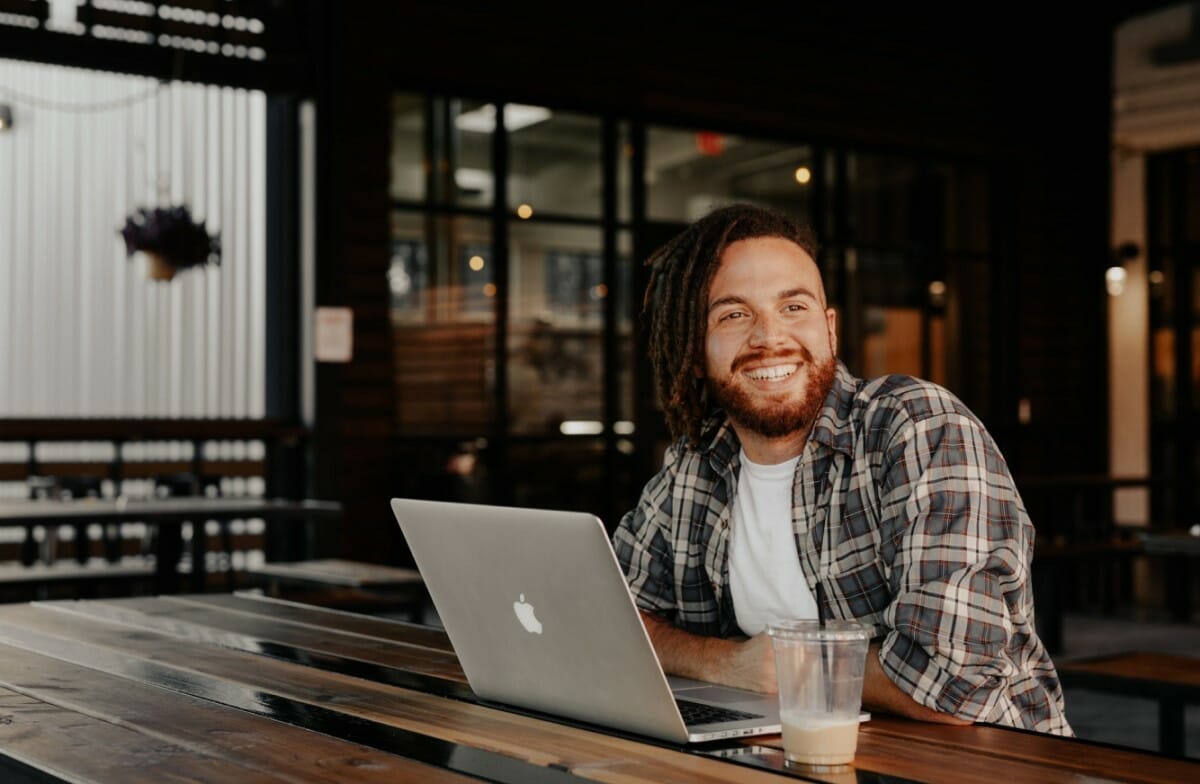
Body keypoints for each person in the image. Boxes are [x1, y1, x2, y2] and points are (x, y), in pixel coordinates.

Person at [612, 202, 1072, 736]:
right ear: (697, 348)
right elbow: (615, 616)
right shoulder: (696, 466)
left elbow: (953, 683)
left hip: (980, 762)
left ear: (829, 328)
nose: (768, 338)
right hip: (799, 756)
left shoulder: (916, 427)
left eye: (793, 307)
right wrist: (723, 664)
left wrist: (787, 666)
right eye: (734, 314)